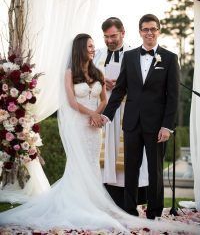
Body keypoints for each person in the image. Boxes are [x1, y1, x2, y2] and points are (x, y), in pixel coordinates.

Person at [0, 33, 198, 235]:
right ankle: (77, 203)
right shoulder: (70, 73)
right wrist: (94, 114)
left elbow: (105, 98)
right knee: (79, 165)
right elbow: (71, 102)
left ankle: (95, 205)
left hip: (94, 127)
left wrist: (100, 115)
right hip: (80, 123)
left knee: (94, 165)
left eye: (93, 46)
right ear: (79, 49)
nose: (93, 49)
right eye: (90, 47)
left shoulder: (97, 70)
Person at [103, 14, 180, 219]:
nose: (149, 33)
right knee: (131, 170)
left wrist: (167, 126)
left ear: (158, 31)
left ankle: (154, 213)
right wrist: (107, 115)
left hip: (156, 126)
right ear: (140, 32)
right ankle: (129, 210)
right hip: (132, 122)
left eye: (153, 29)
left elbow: (173, 97)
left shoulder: (170, 58)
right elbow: (119, 90)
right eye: (145, 29)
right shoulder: (129, 57)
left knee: (155, 171)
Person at [94, 17, 148, 209]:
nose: (109, 40)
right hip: (103, 111)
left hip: (127, 111)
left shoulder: (135, 54)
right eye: (106, 37)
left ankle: (128, 199)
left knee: (126, 154)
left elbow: (146, 82)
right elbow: (84, 78)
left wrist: (123, 85)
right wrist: (101, 82)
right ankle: (103, 197)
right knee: (104, 152)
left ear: (123, 33)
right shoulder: (97, 55)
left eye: (113, 36)